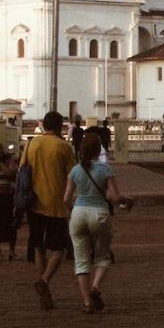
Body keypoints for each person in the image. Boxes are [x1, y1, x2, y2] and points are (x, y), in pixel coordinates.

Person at [21, 110, 76, 311]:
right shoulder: (63, 147)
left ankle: (46, 289)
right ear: (60, 126)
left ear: (43, 125)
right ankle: (44, 282)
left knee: (38, 246)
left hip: (33, 201)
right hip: (55, 203)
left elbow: (23, 170)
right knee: (58, 249)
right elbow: (73, 174)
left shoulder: (31, 144)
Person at [64, 134, 121, 314]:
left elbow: (66, 199)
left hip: (79, 213)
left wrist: (74, 209)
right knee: (103, 256)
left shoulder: (75, 171)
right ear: (99, 150)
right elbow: (115, 197)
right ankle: (95, 287)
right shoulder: (105, 169)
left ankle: (87, 302)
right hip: (99, 214)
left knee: (81, 261)